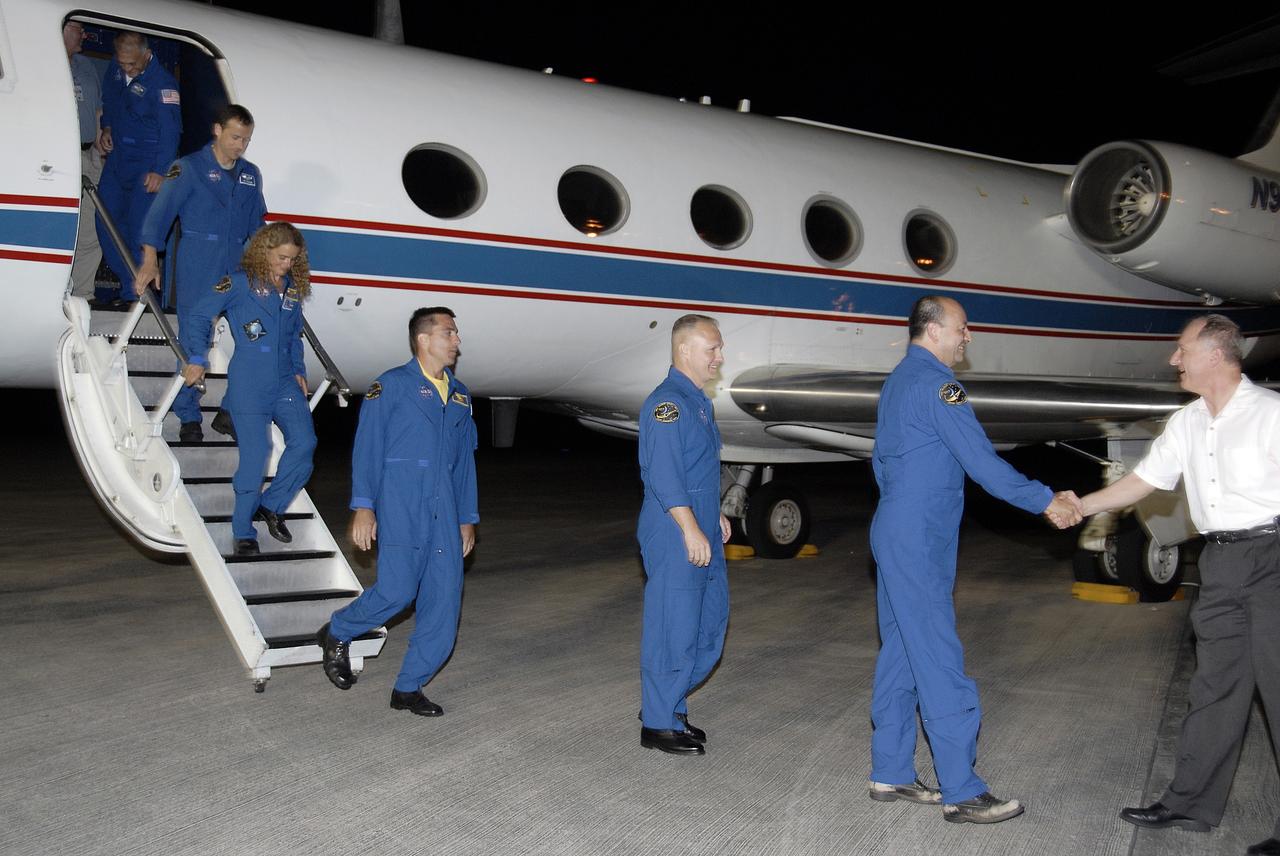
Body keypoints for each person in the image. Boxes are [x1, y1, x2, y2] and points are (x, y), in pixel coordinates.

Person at [867, 295, 1081, 823]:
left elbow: (881, 459)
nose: (968, 338)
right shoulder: (942, 386)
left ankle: (890, 771)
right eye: (962, 328)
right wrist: (1044, 499)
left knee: (901, 650)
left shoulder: (896, 381)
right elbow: (983, 464)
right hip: (918, 537)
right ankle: (961, 788)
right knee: (939, 657)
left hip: (893, 527)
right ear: (935, 330)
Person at [1075, 314, 1280, 856]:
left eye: (1181, 348)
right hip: (1220, 561)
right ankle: (1190, 802)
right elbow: (1146, 480)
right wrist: (1080, 505)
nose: (1173, 358)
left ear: (1215, 353)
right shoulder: (1188, 421)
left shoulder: (1271, 415)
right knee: (1215, 687)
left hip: (1273, 557)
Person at [317, 307, 479, 718]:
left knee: (444, 607)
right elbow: (367, 449)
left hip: (447, 512)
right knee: (398, 591)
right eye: (449, 332)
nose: (457, 340)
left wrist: (467, 517)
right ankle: (339, 629)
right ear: (423, 339)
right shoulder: (389, 387)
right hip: (403, 507)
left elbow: (463, 465)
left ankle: (408, 688)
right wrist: (363, 507)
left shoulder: (459, 395)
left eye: (456, 333)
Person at [178, 223, 315, 557]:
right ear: (263, 250)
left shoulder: (292, 290)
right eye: (282, 257)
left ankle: (271, 505)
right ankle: (243, 530)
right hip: (249, 383)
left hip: (284, 381)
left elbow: (293, 334)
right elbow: (198, 315)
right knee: (256, 456)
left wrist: (298, 370)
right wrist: (197, 356)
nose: (287, 264)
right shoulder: (238, 284)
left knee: (305, 443)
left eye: (293, 259)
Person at [137, 103, 267, 443]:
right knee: (194, 344)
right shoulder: (188, 168)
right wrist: (150, 259)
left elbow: (258, 226)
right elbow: (159, 216)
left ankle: (229, 411)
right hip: (199, 263)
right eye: (236, 137)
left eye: (247, 140)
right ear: (217, 130)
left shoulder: (251, 175)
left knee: (255, 339)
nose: (240, 145)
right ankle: (189, 417)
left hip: (240, 267)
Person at [637, 313, 732, 756]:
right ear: (684, 351)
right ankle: (657, 723)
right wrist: (692, 527)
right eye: (712, 348)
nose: (719, 356)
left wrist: (714, 518)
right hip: (674, 529)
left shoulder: (697, 401)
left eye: (719, 347)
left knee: (708, 628)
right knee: (673, 629)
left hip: (700, 525)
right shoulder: (667, 403)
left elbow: (697, 472)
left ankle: (668, 705)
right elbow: (663, 474)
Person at [95, 31, 180, 303]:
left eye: (132, 64)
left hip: (147, 163)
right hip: (118, 158)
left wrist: (160, 170)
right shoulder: (117, 68)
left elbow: (171, 132)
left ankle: (138, 296)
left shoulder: (163, 83)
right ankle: (129, 285)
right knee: (105, 221)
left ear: (146, 54)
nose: (127, 68)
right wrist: (107, 126)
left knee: (139, 229)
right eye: (122, 63)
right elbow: (110, 98)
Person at [65, 20, 105, 299]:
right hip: (59, 158)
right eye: (78, 28)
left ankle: (83, 294)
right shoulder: (44, 64)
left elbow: (99, 110)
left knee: (93, 229)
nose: (84, 34)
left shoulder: (87, 66)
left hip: (88, 154)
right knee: (63, 227)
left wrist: (101, 146)